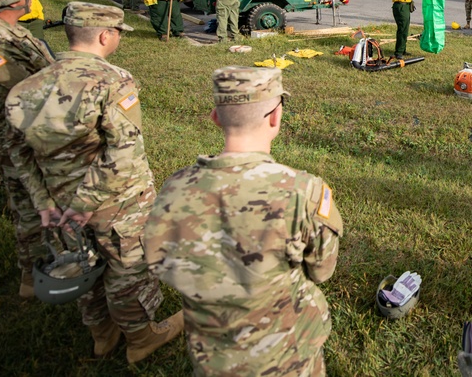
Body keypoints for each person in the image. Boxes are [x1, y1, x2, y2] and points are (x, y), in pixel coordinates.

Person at [4, 2, 183, 362]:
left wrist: (44, 203)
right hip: (116, 201)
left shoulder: (26, 86)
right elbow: (122, 152)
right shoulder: (113, 80)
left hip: (57, 200)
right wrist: (85, 205)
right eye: (117, 32)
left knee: (83, 261)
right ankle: (141, 336)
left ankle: (101, 333)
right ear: (106, 35)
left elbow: (17, 153)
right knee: (126, 268)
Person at [145, 66, 342, 376]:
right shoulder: (305, 192)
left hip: (212, 358)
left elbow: (160, 262)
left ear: (215, 117)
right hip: (287, 354)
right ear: (276, 118)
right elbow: (321, 270)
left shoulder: (174, 188)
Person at [0, 0, 53, 291]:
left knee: (30, 200)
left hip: (20, 132)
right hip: (15, 135)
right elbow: (22, 89)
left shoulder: (4, 30)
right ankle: (33, 274)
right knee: (30, 206)